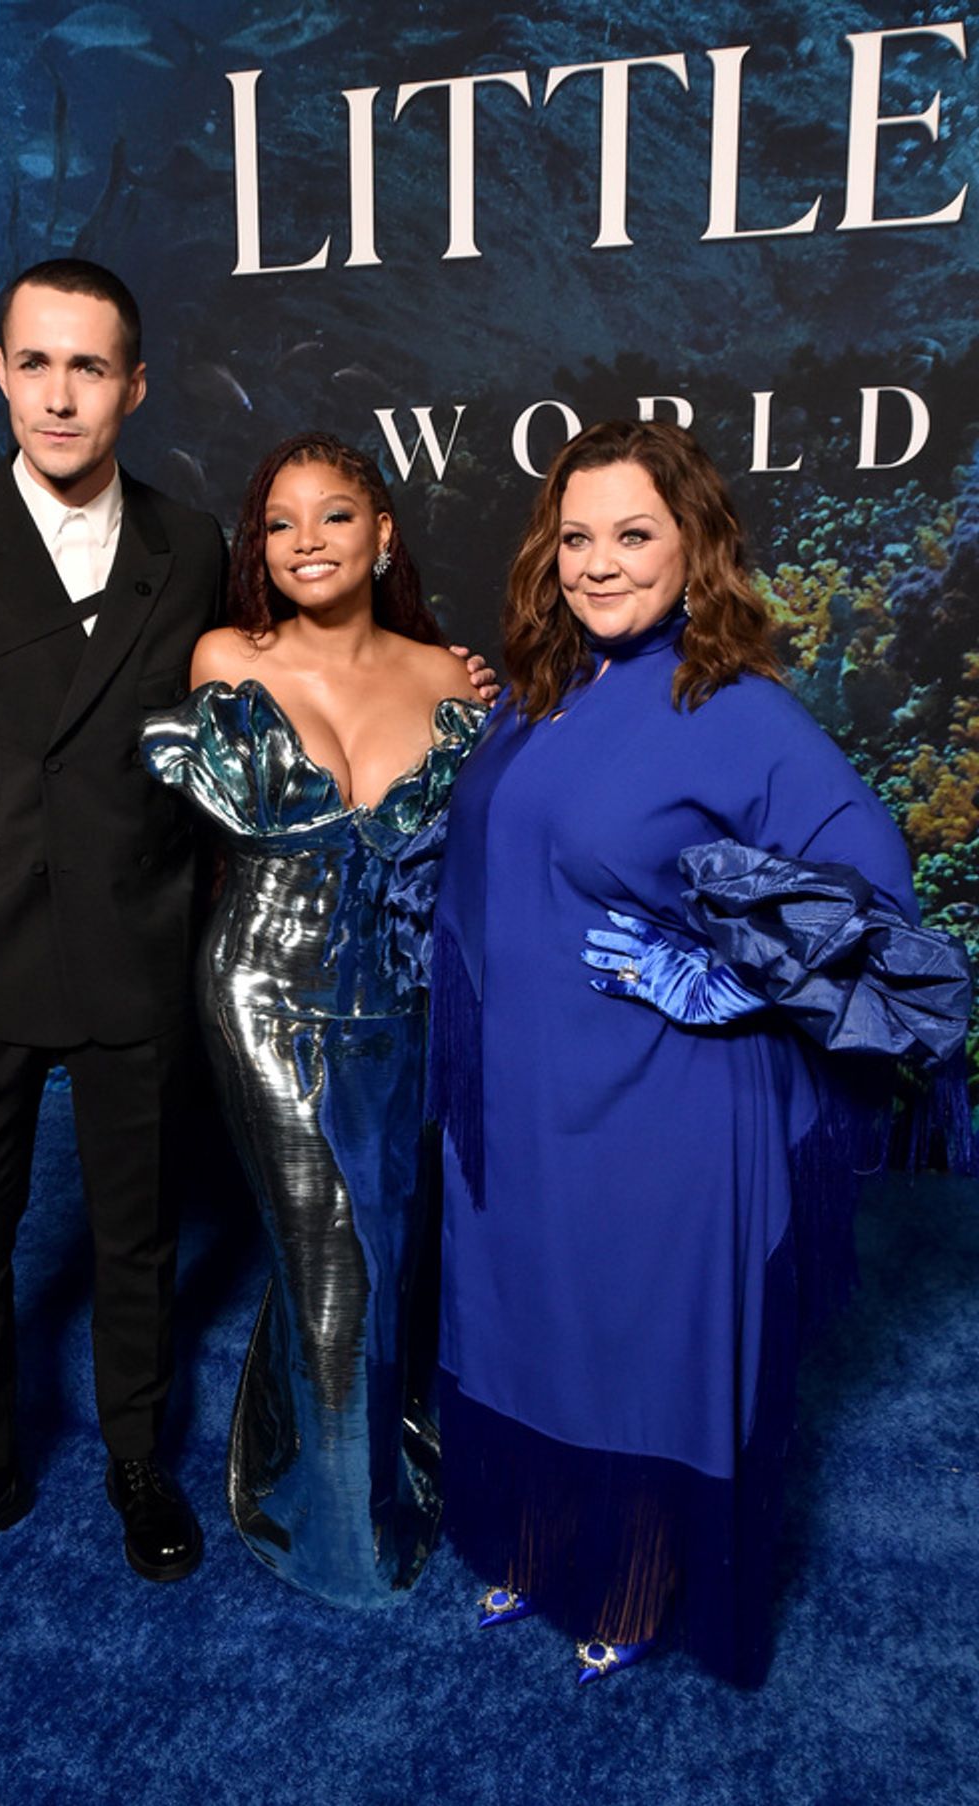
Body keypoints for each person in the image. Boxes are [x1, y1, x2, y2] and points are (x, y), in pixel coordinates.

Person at [430, 420, 971, 1684]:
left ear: (697, 550)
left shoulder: (738, 708)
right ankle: (540, 1542)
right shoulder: (543, 690)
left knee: (637, 1352)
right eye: (576, 538)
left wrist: (731, 976)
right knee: (527, 1327)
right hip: (520, 1102)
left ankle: (630, 1581)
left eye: (635, 536)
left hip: (659, 1112)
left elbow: (877, 890)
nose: (600, 565)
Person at [0, 259, 225, 1595]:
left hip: (136, 946)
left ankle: (139, 1455)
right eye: (34, 362)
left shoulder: (192, 545)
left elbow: (252, 711)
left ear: (134, 384)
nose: (58, 395)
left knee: (137, 1228)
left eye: (88, 367)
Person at [140, 432, 487, 1606]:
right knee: (326, 1246)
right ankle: (338, 1531)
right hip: (268, 989)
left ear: (383, 534)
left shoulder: (452, 677)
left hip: (404, 996)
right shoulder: (227, 657)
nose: (305, 542)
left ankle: (340, 1457)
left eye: (334, 517)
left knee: (389, 1247)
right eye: (279, 523)